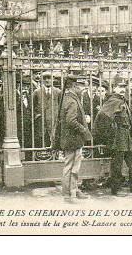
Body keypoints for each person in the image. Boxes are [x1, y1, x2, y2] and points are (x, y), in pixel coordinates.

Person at [93, 82, 132, 196]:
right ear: (114, 88)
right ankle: (115, 189)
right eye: (120, 87)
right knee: (117, 163)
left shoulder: (122, 100)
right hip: (118, 136)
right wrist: (111, 130)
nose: (122, 89)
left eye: (124, 87)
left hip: (126, 136)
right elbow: (102, 115)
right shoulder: (113, 100)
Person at [54, 74, 92, 202]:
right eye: (82, 87)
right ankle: (68, 194)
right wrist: (84, 129)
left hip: (72, 138)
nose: (83, 90)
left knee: (72, 166)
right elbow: (71, 121)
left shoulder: (69, 98)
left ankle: (74, 189)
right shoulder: (71, 100)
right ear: (75, 86)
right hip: (73, 139)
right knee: (71, 167)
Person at [32, 71, 62, 148]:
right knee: (41, 140)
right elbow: (32, 106)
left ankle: (55, 157)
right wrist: (37, 116)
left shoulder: (58, 92)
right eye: (45, 78)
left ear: (52, 79)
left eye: (49, 78)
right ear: (42, 80)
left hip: (54, 121)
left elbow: (62, 106)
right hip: (41, 121)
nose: (47, 80)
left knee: (54, 139)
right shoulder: (37, 92)